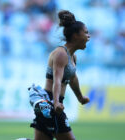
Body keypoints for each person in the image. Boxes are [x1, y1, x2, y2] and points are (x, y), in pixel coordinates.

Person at [28, 10, 90, 140]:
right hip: (51, 103)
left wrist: (80, 97)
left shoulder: (72, 56)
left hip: (54, 103)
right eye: (85, 32)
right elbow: (57, 80)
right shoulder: (61, 54)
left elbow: (72, 79)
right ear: (75, 36)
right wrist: (56, 102)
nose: (88, 36)